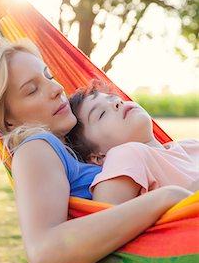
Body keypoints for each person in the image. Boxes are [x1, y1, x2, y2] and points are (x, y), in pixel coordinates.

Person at [0, 37, 193, 263]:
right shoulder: (36, 149)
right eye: (32, 90)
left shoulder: (75, 146)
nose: (57, 89)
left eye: (48, 76)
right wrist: (167, 198)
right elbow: (45, 257)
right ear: (8, 121)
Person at [68, 81, 199, 205]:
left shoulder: (191, 145)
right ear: (97, 156)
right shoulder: (126, 154)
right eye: (101, 114)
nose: (117, 103)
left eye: (113, 98)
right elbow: (106, 220)